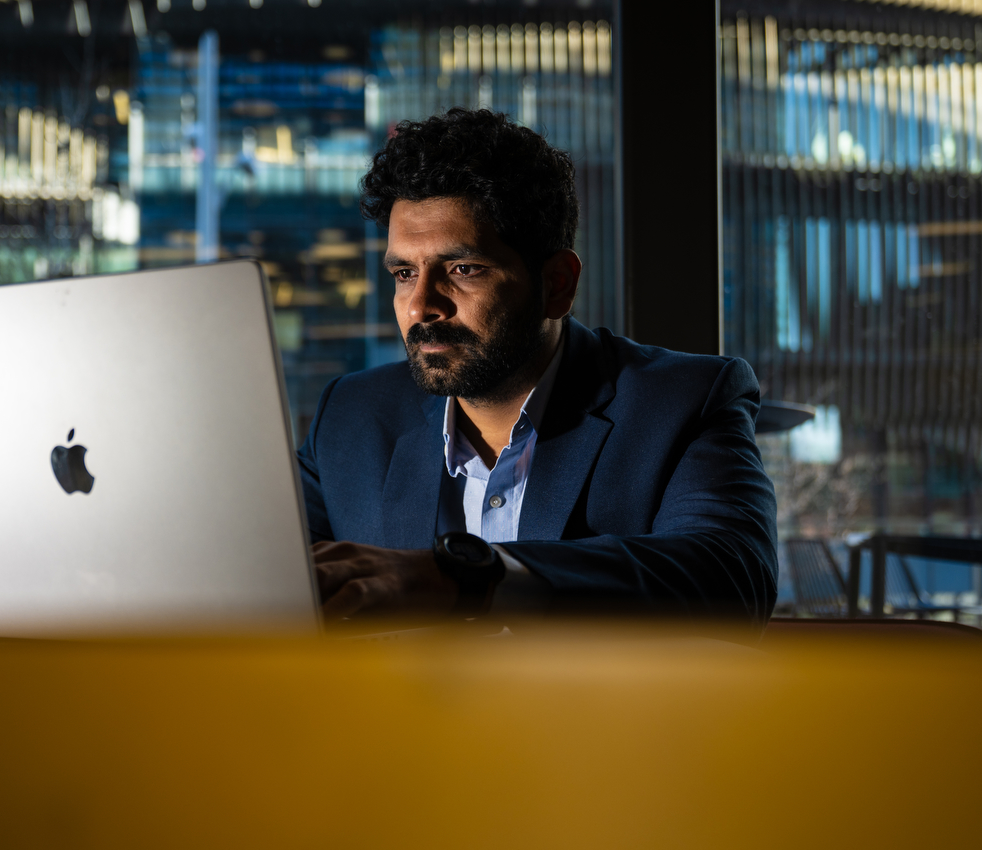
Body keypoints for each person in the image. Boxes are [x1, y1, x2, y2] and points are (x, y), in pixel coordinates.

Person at [299, 108, 777, 623]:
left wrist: (458, 576)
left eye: (463, 269)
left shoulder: (683, 402)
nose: (420, 306)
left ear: (557, 284)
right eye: (403, 273)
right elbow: (258, 579)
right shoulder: (351, 417)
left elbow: (730, 575)